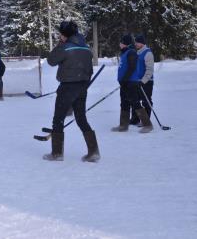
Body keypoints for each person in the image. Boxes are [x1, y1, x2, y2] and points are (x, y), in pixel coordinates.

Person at [43, 21, 100, 162]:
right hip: (82, 87)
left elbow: (51, 60)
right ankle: (93, 152)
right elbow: (90, 70)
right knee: (81, 118)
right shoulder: (86, 48)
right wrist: (83, 84)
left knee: (58, 119)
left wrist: (60, 44)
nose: (59, 36)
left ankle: (57, 153)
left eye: (61, 34)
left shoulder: (65, 47)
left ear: (65, 35)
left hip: (67, 87)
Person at [111, 34, 153, 133]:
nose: (119, 44)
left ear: (125, 44)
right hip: (124, 83)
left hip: (130, 83)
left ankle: (147, 124)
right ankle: (123, 125)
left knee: (135, 103)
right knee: (124, 103)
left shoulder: (131, 52)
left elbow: (132, 67)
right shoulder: (124, 53)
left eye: (121, 42)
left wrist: (125, 79)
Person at [129, 35, 155, 125]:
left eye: (137, 42)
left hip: (146, 82)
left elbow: (149, 70)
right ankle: (135, 119)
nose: (135, 44)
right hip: (137, 81)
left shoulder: (148, 53)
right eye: (135, 42)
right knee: (134, 100)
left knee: (146, 101)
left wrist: (143, 81)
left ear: (142, 43)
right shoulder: (138, 53)